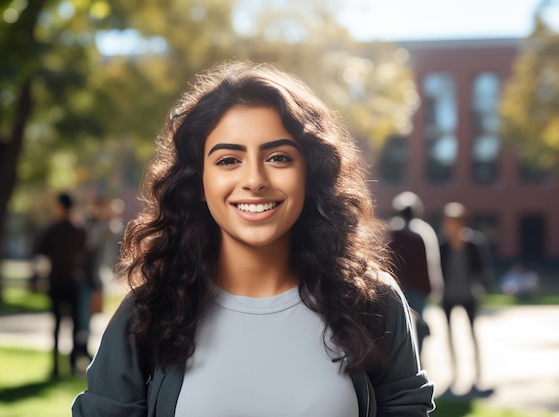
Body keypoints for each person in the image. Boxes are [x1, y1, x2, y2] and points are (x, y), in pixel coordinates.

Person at [72, 61, 434, 416]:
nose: (255, 180)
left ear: (310, 174)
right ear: (199, 182)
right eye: (229, 160)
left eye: (278, 157)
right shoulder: (148, 313)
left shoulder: (373, 302)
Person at [439, 202, 493, 395]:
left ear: (461, 223)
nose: (449, 226)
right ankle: (454, 375)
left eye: (453, 222)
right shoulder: (443, 246)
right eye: (447, 222)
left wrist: (484, 287)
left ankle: (477, 378)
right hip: (448, 296)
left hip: (469, 295)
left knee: (472, 335)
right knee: (450, 336)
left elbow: (483, 269)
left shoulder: (473, 244)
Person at [36, 192, 87, 378]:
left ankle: (57, 366)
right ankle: (72, 364)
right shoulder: (78, 229)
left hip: (56, 280)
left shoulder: (53, 228)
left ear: (60, 206)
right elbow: (84, 251)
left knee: (57, 324)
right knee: (74, 324)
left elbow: (42, 250)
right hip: (72, 280)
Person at [387, 191, 443, 359]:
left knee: (400, 329)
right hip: (417, 289)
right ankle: (417, 359)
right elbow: (430, 264)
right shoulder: (421, 234)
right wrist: (432, 287)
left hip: (399, 289)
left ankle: (405, 361)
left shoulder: (393, 234)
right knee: (416, 326)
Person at [76, 197, 116, 364]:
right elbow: (89, 245)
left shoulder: (108, 225)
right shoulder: (89, 224)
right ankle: (79, 350)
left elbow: (112, 251)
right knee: (82, 317)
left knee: (91, 316)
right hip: (85, 276)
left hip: (97, 277)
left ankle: (83, 350)